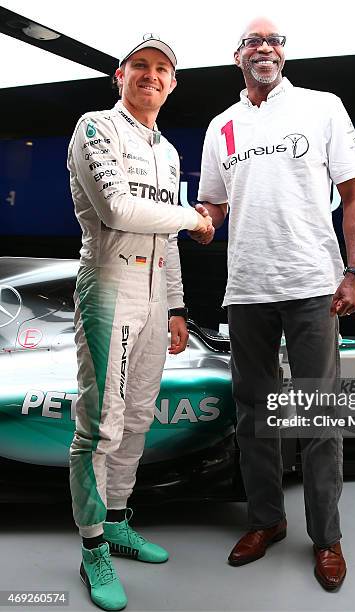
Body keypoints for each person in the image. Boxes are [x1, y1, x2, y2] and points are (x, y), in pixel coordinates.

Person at [193, 17, 355, 592]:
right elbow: (214, 206)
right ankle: (266, 520)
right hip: (247, 288)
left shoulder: (322, 107)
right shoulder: (222, 126)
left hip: (313, 283)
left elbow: (352, 196)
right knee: (253, 414)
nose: (263, 48)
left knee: (318, 414)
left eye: (273, 41)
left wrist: (353, 271)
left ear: (283, 54)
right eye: (253, 41)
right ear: (237, 55)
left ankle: (327, 536)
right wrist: (197, 224)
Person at [67, 35, 211, 611]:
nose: (151, 75)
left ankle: (120, 520)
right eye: (141, 66)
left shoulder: (169, 152)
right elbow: (119, 210)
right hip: (108, 284)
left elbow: (166, 238)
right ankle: (92, 543)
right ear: (120, 76)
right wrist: (194, 218)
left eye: (162, 70)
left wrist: (177, 306)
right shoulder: (95, 127)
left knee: (138, 418)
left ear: (172, 85)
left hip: (154, 296)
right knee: (100, 423)